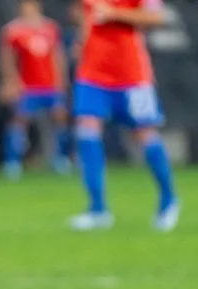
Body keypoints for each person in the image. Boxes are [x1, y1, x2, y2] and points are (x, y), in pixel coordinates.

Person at [69, 0, 179, 232]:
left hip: (131, 75)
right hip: (92, 72)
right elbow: (85, 15)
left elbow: (156, 17)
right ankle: (98, 209)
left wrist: (115, 13)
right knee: (87, 130)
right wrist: (83, 41)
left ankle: (169, 199)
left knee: (145, 134)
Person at [0, 0, 72, 178]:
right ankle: (12, 161)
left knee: (60, 118)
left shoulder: (50, 27)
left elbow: (58, 55)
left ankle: (61, 158)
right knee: (19, 121)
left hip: (49, 84)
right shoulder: (13, 30)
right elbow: (7, 58)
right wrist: (12, 81)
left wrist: (60, 80)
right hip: (27, 86)